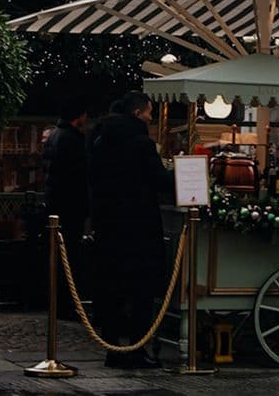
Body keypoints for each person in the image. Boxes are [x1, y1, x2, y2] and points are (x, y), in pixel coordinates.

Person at [89, 90, 173, 369]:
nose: (151, 118)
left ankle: (112, 348)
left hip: (108, 224)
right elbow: (160, 180)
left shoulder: (101, 140)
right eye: (150, 112)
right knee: (141, 291)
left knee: (112, 288)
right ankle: (137, 349)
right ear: (138, 114)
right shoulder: (141, 144)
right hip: (138, 227)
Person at [43, 96, 89, 318]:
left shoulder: (55, 136)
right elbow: (78, 175)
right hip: (70, 205)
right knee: (69, 256)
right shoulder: (72, 139)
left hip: (56, 203)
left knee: (60, 256)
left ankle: (58, 303)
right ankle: (66, 305)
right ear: (78, 117)